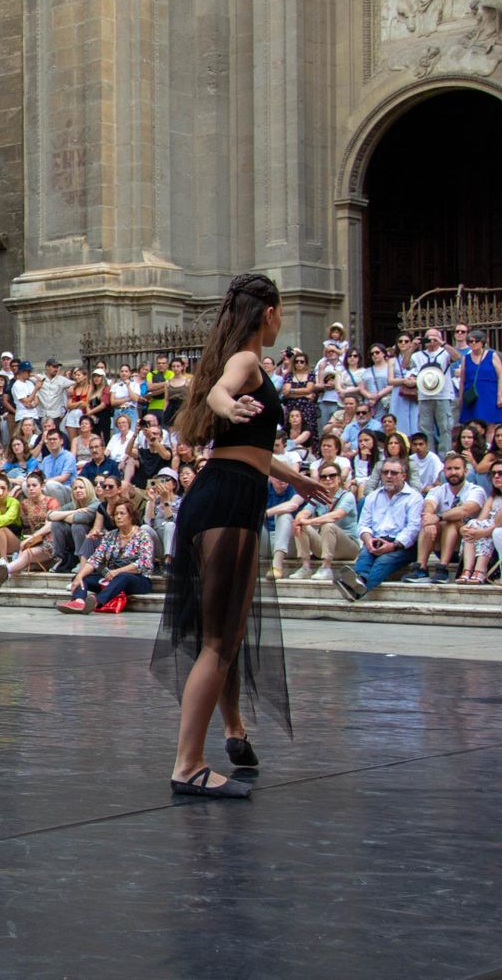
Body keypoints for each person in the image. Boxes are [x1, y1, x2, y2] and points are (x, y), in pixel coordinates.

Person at [154, 273, 325, 800]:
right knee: (221, 639)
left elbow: (245, 445)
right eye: (281, 314)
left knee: (222, 629)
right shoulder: (246, 362)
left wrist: (293, 476)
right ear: (268, 312)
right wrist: (226, 403)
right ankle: (188, 764)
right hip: (229, 502)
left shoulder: (233, 357)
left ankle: (234, 731)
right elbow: (225, 392)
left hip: (219, 492)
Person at [332, 460, 424, 601]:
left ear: (404, 476)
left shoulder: (414, 498)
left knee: (383, 561)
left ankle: (357, 590)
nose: (388, 476)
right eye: (385, 472)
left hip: (402, 545)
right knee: (365, 556)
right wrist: (368, 541)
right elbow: (364, 524)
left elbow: (412, 529)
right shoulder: (373, 497)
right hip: (375, 540)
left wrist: (393, 545)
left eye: (394, 473)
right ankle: (358, 580)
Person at [402, 453, 488, 584]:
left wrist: (437, 517)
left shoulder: (476, 490)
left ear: (465, 470)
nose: (453, 472)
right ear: (444, 471)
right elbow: (429, 506)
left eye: (457, 468)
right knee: (429, 523)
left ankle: (443, 568)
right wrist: (429, 520)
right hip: (440, 545)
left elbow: (465, 510)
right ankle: (421, 567)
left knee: (451, 522)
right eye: (449, 469)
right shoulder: (437, 490)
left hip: (467, 548)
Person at [57, 500, 154, 613]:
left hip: (137, 580)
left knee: (124, 576)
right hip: (111, 578)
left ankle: (96, 601)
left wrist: (117, 572)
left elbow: (144, 564)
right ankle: (79, 602)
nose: (118, 517)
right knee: (81, 577)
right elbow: (95, 559)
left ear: (131, 516)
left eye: (122, 513)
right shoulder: (111, 535)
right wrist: (79, 575)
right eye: (116, 514)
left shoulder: (143, 535)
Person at [288, 467, 360, 580]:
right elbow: (304, 512)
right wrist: (298, 521)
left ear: (339, 478)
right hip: (327, 544)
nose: (328, 479)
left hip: (348, 546)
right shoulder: (318, 497)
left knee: (328, 524)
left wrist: (309, 521)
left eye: (332, 475)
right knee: (301, 525)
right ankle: (305, 567)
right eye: (323, 477)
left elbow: (336, 515)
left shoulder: (348, 496)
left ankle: (326, 568)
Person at [459, 463, 502, 584]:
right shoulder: (493, 498)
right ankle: (468, 570)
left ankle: (479, 570)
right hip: (488, 530)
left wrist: (483, 532)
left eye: (501, 473)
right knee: (473, 524)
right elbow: (481, 520)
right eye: (493, 474)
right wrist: (465, 528)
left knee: (485, 531)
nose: (496, 476)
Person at [413, 327, 461, 453]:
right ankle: (428, 454)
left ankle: (445, 455)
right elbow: (405, 364)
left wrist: (442, 343)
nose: (431, 340)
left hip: (443, 395)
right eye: (428, 337)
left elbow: (457, 357)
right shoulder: (418, 355)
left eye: (434, 336)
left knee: (445, 426)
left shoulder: (444, 353)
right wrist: (412, 347)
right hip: (424, 395)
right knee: (425, 428)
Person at [457, 330, 502, 427]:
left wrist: (499, 395)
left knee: (490, 425)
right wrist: (461, 397)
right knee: (471, 424)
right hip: (472, 394)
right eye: (471, 341)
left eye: (477, 340)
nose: (474, 343)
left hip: (489, 393)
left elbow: (501, 376)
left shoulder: (492, 355)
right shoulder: (466, 358)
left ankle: (488, 443)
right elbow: (462, 380)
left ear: (482, 342)